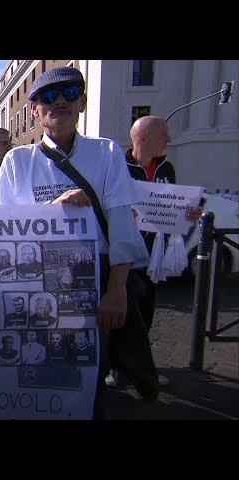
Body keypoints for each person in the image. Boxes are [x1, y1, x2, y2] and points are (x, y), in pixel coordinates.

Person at [0, 67, 156, 406]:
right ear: (35, 109)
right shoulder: (17, 161)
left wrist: (117, 290)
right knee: (37, 371)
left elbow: (122, 224)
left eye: (69, 92)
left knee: (88, 376)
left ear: (82, 101)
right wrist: (52, 210)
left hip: (97, 279)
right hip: (35, 283)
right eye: (48, 96)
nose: (59, 100)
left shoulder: (106, 153)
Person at [122, 115, 202, 389]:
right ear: (143, 138)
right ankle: (119, 369)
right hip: (125, 255)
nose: (169, 140)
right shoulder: (120, 167)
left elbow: (174, 209)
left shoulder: (167, 169)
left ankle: (143, 369)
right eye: (163, 135)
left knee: (146, 313)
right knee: (122, 313)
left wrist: (189, 214)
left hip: (155, 253)